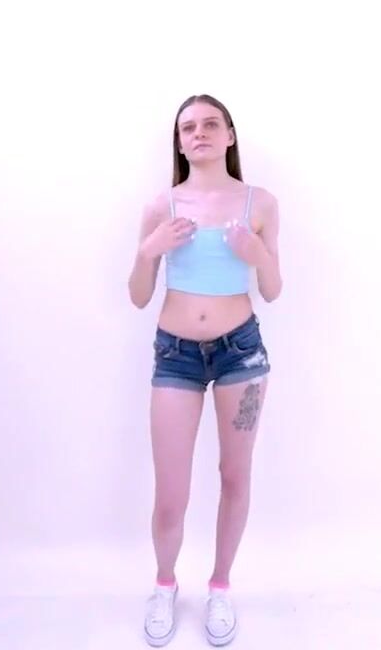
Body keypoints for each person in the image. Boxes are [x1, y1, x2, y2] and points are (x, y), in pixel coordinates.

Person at [127, 94, 282, 646]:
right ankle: (164, 584)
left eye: (211, 124)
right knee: (171, 490)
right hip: (177, 356)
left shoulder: (260, 203)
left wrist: (257, 255)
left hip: (241, 353)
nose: (199, 133)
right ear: (179, 142)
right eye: (188, 127)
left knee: (235, 476)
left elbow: (272, 289)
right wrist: (149, 251)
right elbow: (138, 297)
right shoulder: (161, 206)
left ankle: (220, 587)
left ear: (230, 135)